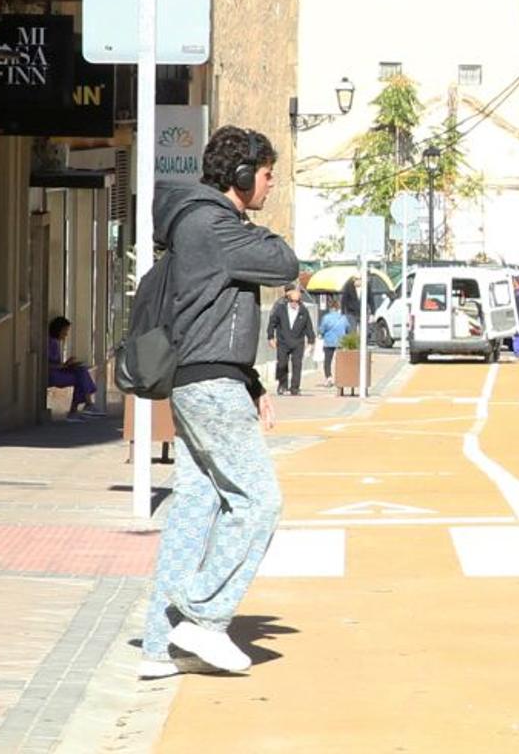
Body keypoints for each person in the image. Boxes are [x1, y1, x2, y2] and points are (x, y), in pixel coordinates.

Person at [139, 126, 299, 678]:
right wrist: (255, 228)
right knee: (259, 501)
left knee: (196, 506)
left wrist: (251, 384)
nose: (271, 183)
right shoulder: (215, 224)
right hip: (209, 386)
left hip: (201, 380)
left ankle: (160, 646)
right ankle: (202, 618)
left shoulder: (198, 223)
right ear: (239, 176)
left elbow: (215, 315)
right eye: (266, 173)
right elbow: (284, 263)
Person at [47, 316, 105, 422]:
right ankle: (84, 405)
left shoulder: (55, 342)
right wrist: (64, 366)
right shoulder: (50, 343)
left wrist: (67, 364)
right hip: (52, 375)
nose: (66, 334)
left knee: (81, 370)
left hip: (57, 372)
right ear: (58, 329)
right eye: (65, 331)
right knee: (80, 377)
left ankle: (83, 407)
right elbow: (47, 364)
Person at [267, 284, 315, 395]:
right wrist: (270, 337)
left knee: (297, 365)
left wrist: (311, 342)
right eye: (292, 301)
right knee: (282, 364)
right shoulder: (280, 309)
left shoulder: (303, 311)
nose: (294, 304)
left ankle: (295, 388)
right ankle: (282, 385)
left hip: (298, 342)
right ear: (288, 300)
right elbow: (272, 323)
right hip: (283, 341)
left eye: (296, 302)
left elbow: (309, 327)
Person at [319, 297, 350, 387]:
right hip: (341, 341)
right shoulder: (343, 318)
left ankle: (329, 377)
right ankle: (341, 377)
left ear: (330, 308)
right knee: (340, 360)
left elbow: (322, 329)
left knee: (327, 361)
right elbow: (348, 328)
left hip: (328, 341)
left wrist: (320, 334)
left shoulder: (326, 318)